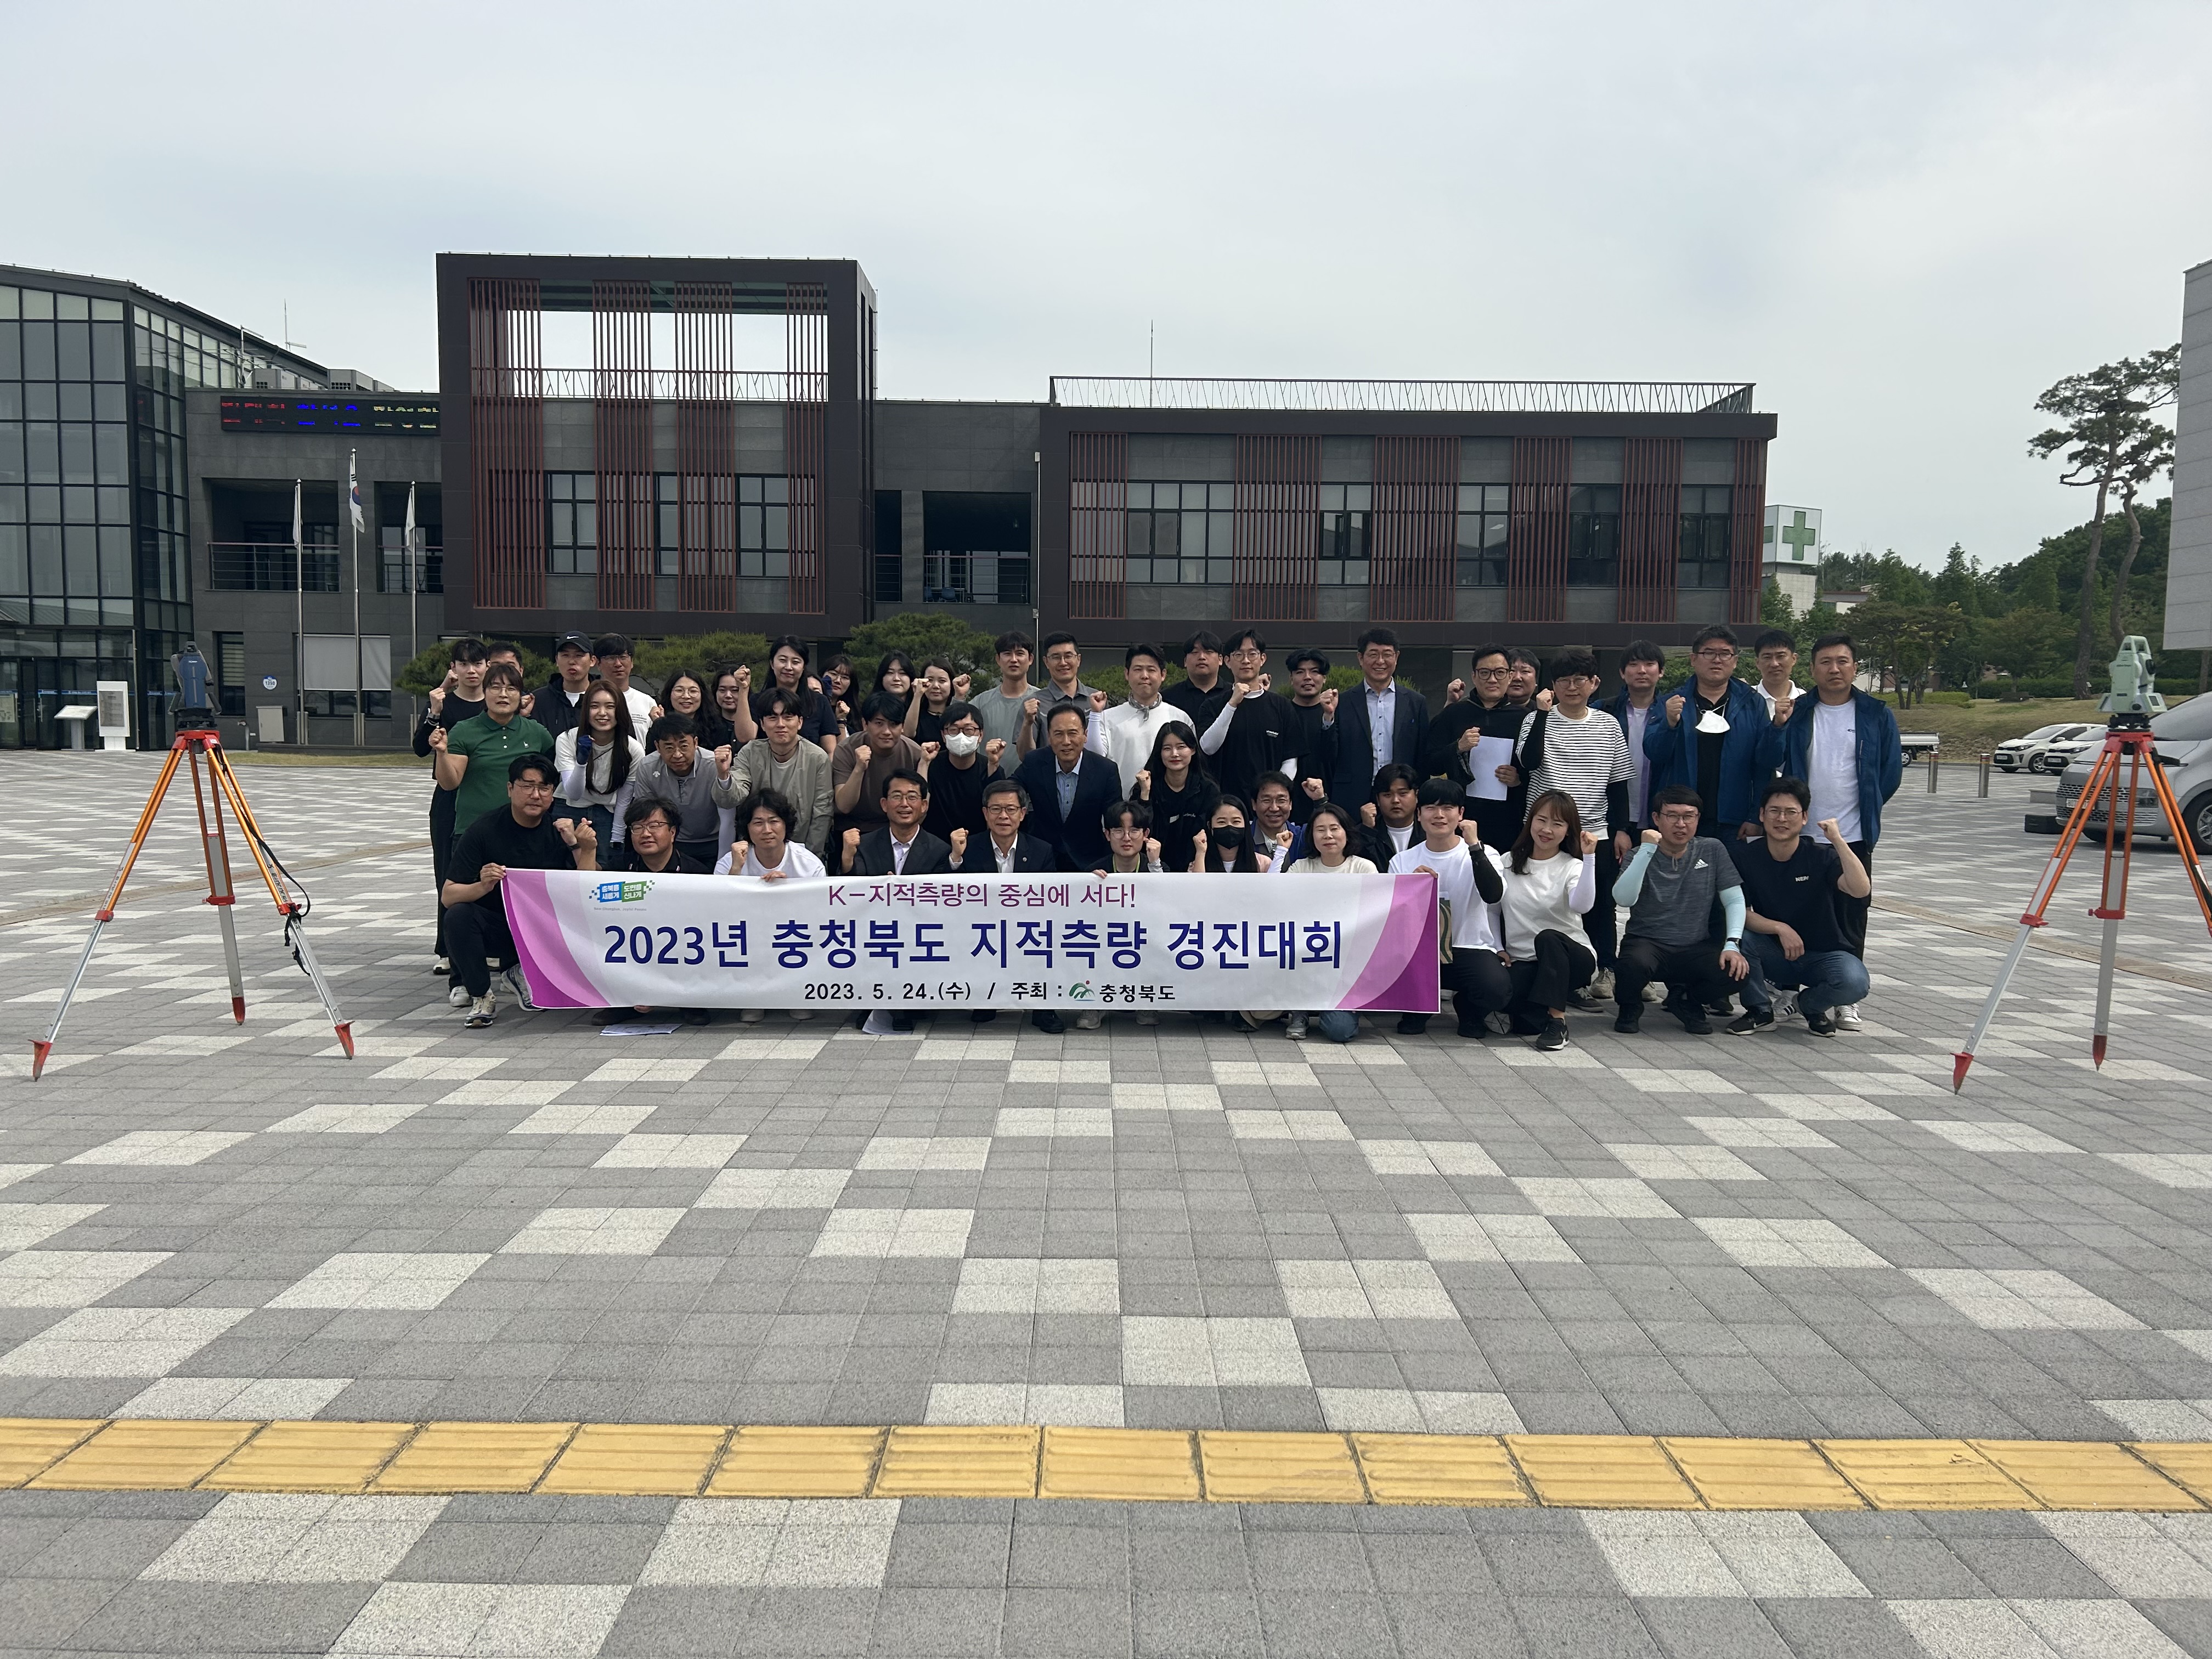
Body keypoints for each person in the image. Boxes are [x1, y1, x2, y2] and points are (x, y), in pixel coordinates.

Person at [1761, 633, 1900, 1031]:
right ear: (1812, 668)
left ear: (1855, 667)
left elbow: (1889, 773)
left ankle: (1843, 997)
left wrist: (1866, 807)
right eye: (1825, 662)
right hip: (1801, 835)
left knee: (1852, 915)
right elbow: (1772, 758)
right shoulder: (1800, 710)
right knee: (1794, 912)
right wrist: (1778, 726)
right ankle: (1787, 989)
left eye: (1842, 661)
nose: (1834, 669)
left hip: (1852, 834)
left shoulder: (1876, 713)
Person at [441, 754, 594, 1029]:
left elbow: (588, 889)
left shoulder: (559, 831)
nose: (536, 795)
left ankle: (520, 973)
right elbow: (449, 895)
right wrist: (482, 885)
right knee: (458, 916)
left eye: (544, 788)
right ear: (510, 788)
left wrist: (577, 845)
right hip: (499, 928)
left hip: (545, 930)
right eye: (527, 786)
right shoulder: (483, 830)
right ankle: (481, 995)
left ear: (552, 794)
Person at [1514, 648, 1633, 992]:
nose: (1571, 687)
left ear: (1594, 683)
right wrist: (1541, 714)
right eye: (1563, 681)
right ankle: (1558, 975)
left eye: (1579, 680)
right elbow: (1528, 762)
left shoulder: (1609, 724)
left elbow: (1618, 783)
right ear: (1553, 686)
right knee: (1550, 901)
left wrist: (1622, 829)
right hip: (1546, 832)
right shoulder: (1536, 719)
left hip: (1594, 831)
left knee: (1601, 904)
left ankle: (1605, 968)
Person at [1726, 776, 1875, 1037]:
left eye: (1791, 812)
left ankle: (1809, 1006)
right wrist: (1779, 928)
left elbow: (1860, 889)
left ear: (1805, 817)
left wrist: (1838, 840)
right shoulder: (1745, 856)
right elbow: (1739, 911)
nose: (1781, 819)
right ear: (1762, 815)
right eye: (1774, 811)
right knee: (1740, 938)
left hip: (1822, 954)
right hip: (1773, 952)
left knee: (1855, 982)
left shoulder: (1821, 855)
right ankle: (1760, 1011)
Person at [1611, 785, 1752, 1035]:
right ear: (1656, 819)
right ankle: (1630, 1007)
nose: (1681, 824)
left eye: (1689, 816)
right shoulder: (1638, 854)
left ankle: (1687, 1001)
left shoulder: (1712, 849)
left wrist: (1732, 944)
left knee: (1736, 973)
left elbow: (1734, 900)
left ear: (1698, 819)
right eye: (1672, 816)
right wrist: (1647, 850)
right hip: (1648, 943)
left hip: (1695, 946)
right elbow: (1624, 899)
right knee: (1631, 965)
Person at [1388, 780, 1510, 1040]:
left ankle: (1469, 1008)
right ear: (1419, 814)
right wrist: (1410, 886)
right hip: (1419, 950)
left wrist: (1475, 847)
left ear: (1461, 814)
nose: (1439, 815)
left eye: (1448, 808)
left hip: (1469, 947)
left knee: (1496, 990)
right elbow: (1393, 920)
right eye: (1431, 808)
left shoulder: (1486, 853)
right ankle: (1418, 1009)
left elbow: (1493, 895)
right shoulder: (1402, 861)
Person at [589, 799, 714, 1029]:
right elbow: (590, 900)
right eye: (638, 827)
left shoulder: (696, 873)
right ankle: (623, 1002)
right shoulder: (619, 869)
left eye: (655, 826)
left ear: (673, 832)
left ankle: (691, 1002)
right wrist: (585, 848)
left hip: (681, 951)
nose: (646, 834)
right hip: (632, 950)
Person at [1645, 625, 1772, 841]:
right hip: (1681, 819)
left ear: (1735, 661)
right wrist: (1670, 724)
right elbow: (1654, 753)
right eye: (1709, 653)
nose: (1717, 660)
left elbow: (1764, 764)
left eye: (1725, 654)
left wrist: (1755, 817)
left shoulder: (1753, 703)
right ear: (1693, 659)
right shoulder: (1672, 701)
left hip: (1735, 820)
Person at [1497, 791, 1600, 1053]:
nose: (1547, 830)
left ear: (1568, 830)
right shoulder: (1507, 862)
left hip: (1572, 958)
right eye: (1541, 820)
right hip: (1525, 961)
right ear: (1530, 821)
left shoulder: (1572, 866)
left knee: (1549, 937)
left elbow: (1582, 906)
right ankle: (1536, 1015)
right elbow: (1491, 911)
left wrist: (1589, 858)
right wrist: (1497, 947)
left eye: (1557, 824)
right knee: (1491, 999)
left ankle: (1557, 1022)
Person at [957, 778, 1063, 1033]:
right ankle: (987, 997)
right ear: (985, 813)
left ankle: (1043, 1007)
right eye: (996, 809)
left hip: (1028, 926)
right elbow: (950, 892)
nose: (1003, 816)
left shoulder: (1041, 850)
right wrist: (955, 858)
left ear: (1023, 814)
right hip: (983, 926)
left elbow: (1051, 900)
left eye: (1011, 809)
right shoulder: (968, 849)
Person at [414, 638, 487, 977]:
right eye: (464, 664)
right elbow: (419, 748)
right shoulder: (443, 703)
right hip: (449, 798)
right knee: (447, 872)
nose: (471, 670)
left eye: (477, 663)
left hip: (485, 795)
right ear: (453, 668)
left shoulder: (496, 703)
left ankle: (490, 944)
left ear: (487, 666)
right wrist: (433, 712)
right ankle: (446, 948)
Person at [1282, 802, 1377, 1043]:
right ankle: (1300, 1010)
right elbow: (1277, 898)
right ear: (1311, 836)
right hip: (1305, 956)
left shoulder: (1363, 868)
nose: (1328, 836)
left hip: (1346, 964)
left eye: (1335, 828)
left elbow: (1375, 914)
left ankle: (1333, 1009)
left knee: (1340, 1031)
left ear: (1347, 832)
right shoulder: (1302, 867)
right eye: (1320, 830)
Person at [1423, 643, 1527, 851]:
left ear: (1509, 676)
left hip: (1508, 818)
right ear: (1474, 676)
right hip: (1461, 816)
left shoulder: (1524, 718)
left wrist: (1519, 779)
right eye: (1485, 673)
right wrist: (1458, 747)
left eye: (1499, 672)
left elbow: (1537, 768)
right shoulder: (1453, 714)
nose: (1492, 679)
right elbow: (1430, 763)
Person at [433, 662, 554, 842]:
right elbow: (449, 784)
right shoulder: (464, 730)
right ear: (484, 692)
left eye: (511, 689)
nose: (503, 694)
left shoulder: (537, 732)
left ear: (521, 695)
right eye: (495, 688)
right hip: (474, 832)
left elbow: (552, 777)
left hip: (526, 832)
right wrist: (442, 754)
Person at [1198, 628, 1307, 805]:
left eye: (1252, 654)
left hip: (1268, 805)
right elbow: (1208, 747)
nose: (1246, 661)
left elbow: (1290, 758)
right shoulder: (1213, 705)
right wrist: (1232, 704)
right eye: (1239, 655)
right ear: (1227, 661)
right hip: (1225, 804)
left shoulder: (1282, 706)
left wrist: (1274, 794)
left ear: (1262, 659)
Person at [1325, 628, 1430, 811]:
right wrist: (1328, 718)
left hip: (1400, 796)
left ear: (1397, 657)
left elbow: (1422, 756)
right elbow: (1328, 753)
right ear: (1360, 658)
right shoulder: (1342, 702)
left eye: (1387, 655)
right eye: (1373, 654)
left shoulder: (1416, 702)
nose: (1380, 661)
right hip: (1353, 796)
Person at [723, 687, 832, 861]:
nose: (781, 724)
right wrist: (724, 775)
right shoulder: (750, 753)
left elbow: (822, 813)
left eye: (788, 717)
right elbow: (731, 798)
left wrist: (811, 858)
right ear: (762, 724)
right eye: (773, 718)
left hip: (802, 851)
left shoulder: (817, 758)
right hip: (755, 850)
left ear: (800, 722)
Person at [1012, 701, 1122, 871]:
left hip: (1091, 861)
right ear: (1049, 737)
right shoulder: (1035, 762)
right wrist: (993, 766)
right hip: (1041, 858)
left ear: (1085, 735)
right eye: (1058, 734)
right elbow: (1010, 790)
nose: (1066, 741)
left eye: (1073, 733)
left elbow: (1115, 819)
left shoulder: (1105, 770)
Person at [553, 682, 641, 853]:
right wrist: (581, 762)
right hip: (568, 809)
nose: (602, 713)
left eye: (610, 707)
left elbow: (624, 798)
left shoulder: (633, 749)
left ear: (620, 710)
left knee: (600, 866)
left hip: (607, 813)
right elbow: (574, 794)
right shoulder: (567, 739)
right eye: (594, 706)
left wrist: (617, 836)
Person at [630, 713, 722, 870]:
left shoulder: (714, 765)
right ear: (658, 747)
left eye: (684, 746)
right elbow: (645, 812)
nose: (677, 754)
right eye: (669, 748)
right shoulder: (647, 767)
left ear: (696, 743)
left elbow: (728, 810)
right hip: (671, 843)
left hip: (713, 841)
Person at [1088, 643, 1183, 794]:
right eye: (1138, 669)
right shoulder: (1108, 717)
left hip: (1168, 802)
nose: (1145, 676)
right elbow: (1094, 756)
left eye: (1151, 670)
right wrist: (1095, 715)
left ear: (1163, 675)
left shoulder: (1179, 717)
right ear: (1127, 674)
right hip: (1121, 802)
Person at [832, 692, 926, 842]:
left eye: (894, 724)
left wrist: (925, 763)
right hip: (852, 829)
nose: (887, 732)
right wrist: (859, 768)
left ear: (902, 726)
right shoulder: (847, 749)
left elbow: (921, 810)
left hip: (897, 829)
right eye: (879, 723)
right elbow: (844, 806)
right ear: (865, 724)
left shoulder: (914, 752)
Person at [1131, 720, 1218, 875]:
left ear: (1193, 750)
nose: (1174, 754)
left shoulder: (1208, 790)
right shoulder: (1146, 786)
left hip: (1195, 870)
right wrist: (1145, 795)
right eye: (1167, 748)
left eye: (1181, 747)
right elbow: (1138, 831)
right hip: (1151, 869)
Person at [843, 769, 956, 877]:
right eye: (897, 796)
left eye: (912, 797)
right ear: (884, 804)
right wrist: (847, 859)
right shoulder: (864, 846)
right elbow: (855, 884)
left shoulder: (939, 850)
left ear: (924, 806)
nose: (904, 804)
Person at [919, 699, 1001, 847]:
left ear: (981, 735)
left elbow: (997, 812)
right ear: (943, 735)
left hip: (978, 846)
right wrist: (923, 763)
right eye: (954, 730)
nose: (961, 736)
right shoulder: (931, 765)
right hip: (934, 846)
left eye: (969, 730)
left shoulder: (990, 766)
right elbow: (919, 809)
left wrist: (994, 764)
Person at [731, 636, 835, 749]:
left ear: (804, 667)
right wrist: (743, 690)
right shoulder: (758, 700)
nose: (789, 667)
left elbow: (830, 750)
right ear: (772, 663)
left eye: (795, 662)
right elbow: (745, 737)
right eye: (783, 660)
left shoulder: (819, 702)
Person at [1023, 633, 1105, 754]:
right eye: (1056, 657)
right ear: (1046, 662)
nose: (1063, 663)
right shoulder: (1034, 703)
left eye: (1068, 656)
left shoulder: (1097, 700)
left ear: (1079, 659)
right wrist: (1027, 723)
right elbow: (1026, 755)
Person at [964, 630, 1039, 762]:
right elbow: (958, 730)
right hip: (990, 773)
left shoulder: (1042, 700)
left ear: (1031, 659)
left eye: (1020, 654)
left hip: (1032, 775)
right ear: (998, 660)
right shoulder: (980, 703)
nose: (1014, 660)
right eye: (1007, 654)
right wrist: (959, 698)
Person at [720, 789, 828, 879]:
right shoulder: (729, 863)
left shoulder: (811, 866)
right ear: (746, 827)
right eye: (758, 823)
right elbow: (719, 898)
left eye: (774, 822)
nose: (767, 830)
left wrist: (784, 889)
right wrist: (735, 871)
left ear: (786, 824)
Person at [1282, 649, 1337, 821]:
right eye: (1300, 672)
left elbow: (1334, 756)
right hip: (1286, 804)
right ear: (1291, 678)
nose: (1307, 677)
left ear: (1324, 678)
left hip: (1328, 799)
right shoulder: (1280, 712)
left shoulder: (1336, 713)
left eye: (1314, 672)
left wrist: (1328, 716)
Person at [534, 631, 597, 743]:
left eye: (579, 655)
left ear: (592, 661)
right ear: (557, 660)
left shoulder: (604, 698)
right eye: (565, 655)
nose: (572, 662)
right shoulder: (538, 700)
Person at [1357, 763, 1423, 867]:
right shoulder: (1364, 832)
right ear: (1378, 799)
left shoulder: (1429, 829)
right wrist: (1367, 831)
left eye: (1403, 793)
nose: (1395, 800)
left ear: (1416, 796)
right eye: (1387, 795)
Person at [591, 633, 660, 733]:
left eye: (623, 657)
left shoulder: (647, 702)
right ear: (598, 663)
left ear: (632, 662)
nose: (618, 664)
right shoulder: (590, 699)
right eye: (611, 658)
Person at [1163, 630, 1229, 727]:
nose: (1202, 657)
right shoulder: (1168, 698)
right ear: (1185, 661)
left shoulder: (1233, 694)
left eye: (1209, 652)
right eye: (1195, 652)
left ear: (1220, 659)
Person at [1197, 794, 1269, 873]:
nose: (1229, 826)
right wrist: (1200, 853)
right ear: (1209, 825)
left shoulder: (1263, 864)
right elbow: (1197, 881)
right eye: (1222, 822)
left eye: (1236, 822)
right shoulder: (1199, 864)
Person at [664, 668, 730, 751]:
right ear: (669, 694)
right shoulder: (659, 723)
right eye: (679, 690)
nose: (686, 696)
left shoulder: (717, 727)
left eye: (693, 691)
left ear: (702, 695)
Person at [904, 658, 964, 746]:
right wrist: (918, 694)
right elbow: (908, 734)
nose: (936, 686)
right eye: (930, 680)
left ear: (951, 684)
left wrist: (959, 695)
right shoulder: (915, 714)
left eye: (942, 681)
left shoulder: (960, 712)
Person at [1249, 774, 1299, 868]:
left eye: (1281, 800)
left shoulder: (1302, 838)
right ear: (1254, 804)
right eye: (1266, 800)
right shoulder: (1244, 838)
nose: (1274, 808)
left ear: (1290, 804)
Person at [1751, 630, 1800, 719]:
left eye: (1781, 656)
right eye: (1767, 657)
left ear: (1794, 659)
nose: (1774, 664)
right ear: (1757, 662)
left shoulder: (1806, 700)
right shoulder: (1744, 700)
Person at [819, 653, 858, 744]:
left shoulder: (855, 714)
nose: (838, 681)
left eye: (845, 677)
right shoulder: (812, 705)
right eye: (833, 674)